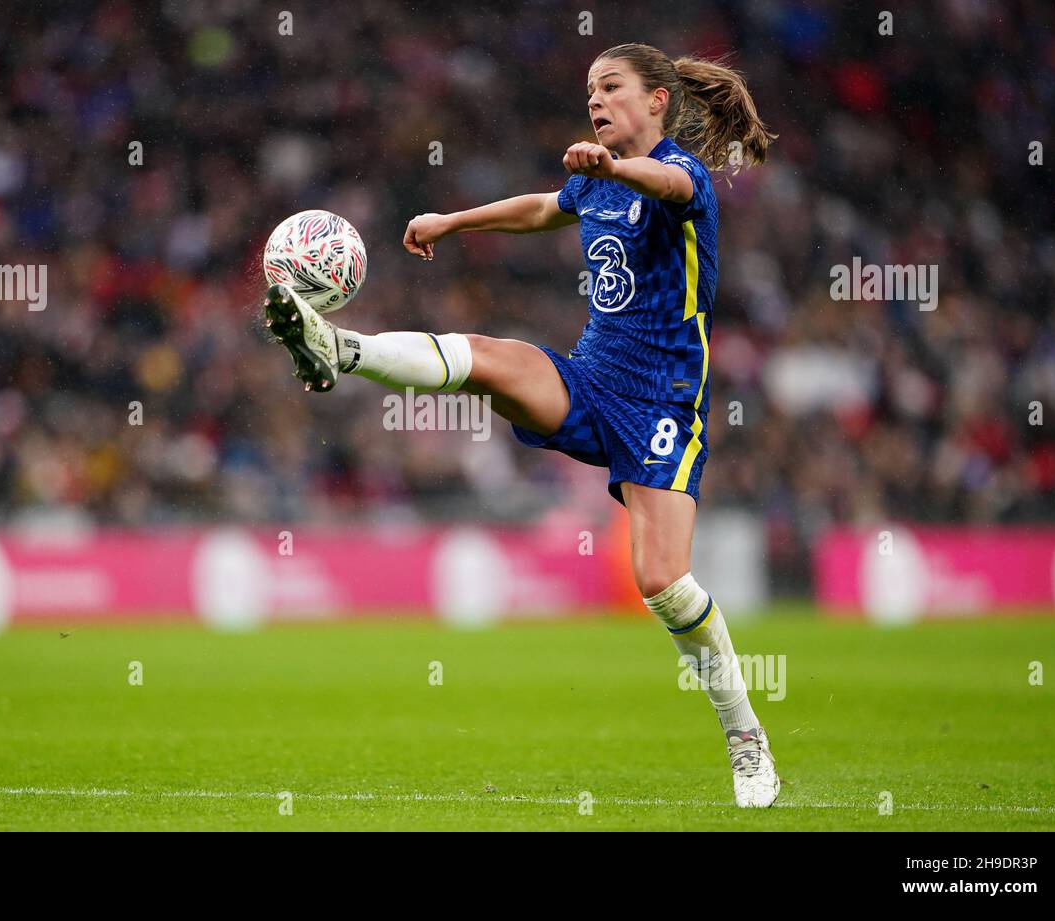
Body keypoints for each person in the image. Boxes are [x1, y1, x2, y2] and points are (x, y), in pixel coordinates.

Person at [264, 43, 780, 807]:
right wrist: (453, 220)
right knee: (490, 359)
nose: (596, 102)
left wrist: (611, 170)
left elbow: (664, 182)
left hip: (665, 403)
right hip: (591, 377)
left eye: (611, 88)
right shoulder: (593, 180)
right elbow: (543, 208)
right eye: (589, 91)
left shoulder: (683, 176)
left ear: (659, 102)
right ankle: (339, 348)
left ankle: (744, 733)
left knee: (663, 582)